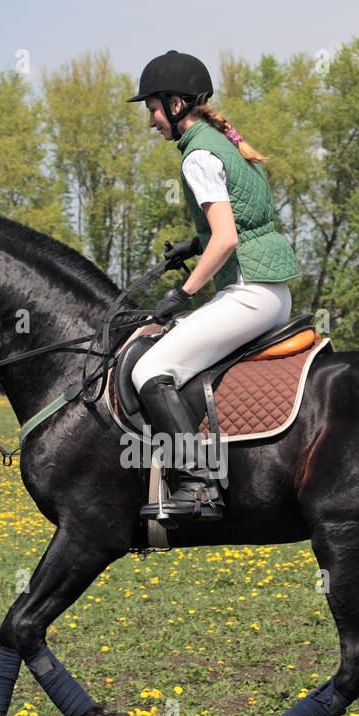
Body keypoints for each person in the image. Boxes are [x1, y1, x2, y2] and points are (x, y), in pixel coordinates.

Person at [127, 50, 300, 524]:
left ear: (177, 103)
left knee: (151, 369)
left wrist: (182, 293)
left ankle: (198, 486)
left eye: (153, 110)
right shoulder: (219, 139)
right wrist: (193, 242)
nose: (151, 122)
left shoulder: (198, 155)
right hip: (268, 290)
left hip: (249, 294)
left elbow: (226, 238)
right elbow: (241, 220)